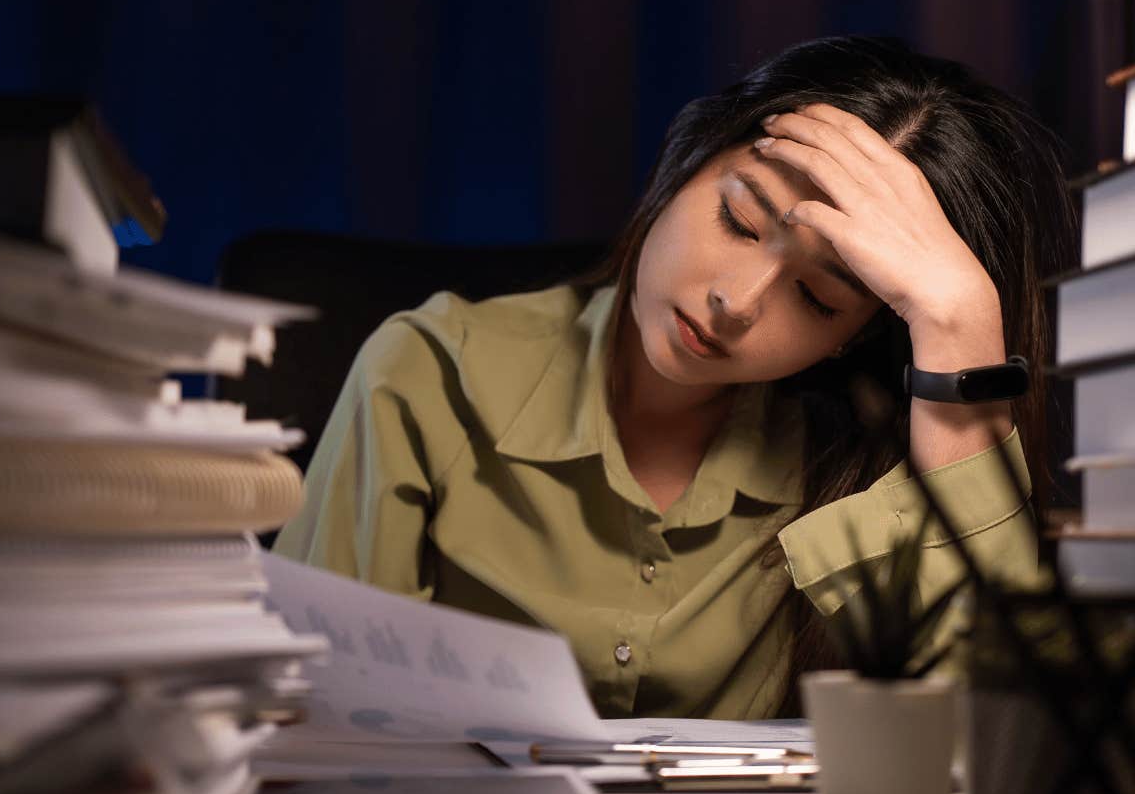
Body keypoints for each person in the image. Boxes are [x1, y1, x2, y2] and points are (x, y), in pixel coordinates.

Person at [273, 35, 1074, 719]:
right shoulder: (427, 372)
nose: (734, 302)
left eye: (816, 297)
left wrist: (960, 323)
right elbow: (312, 714)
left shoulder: (856, 457)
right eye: (739, 219)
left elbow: (990, 733)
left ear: (854, 337)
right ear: (688, 160)